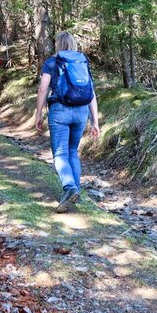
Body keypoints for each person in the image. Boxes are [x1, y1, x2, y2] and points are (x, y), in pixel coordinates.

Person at [34, 32, 100, 213]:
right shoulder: (82, 62)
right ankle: (75, 190)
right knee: (72, 151)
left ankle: (70, 187)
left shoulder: (51, 62)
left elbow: (42, 88)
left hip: (59, 112)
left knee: (60, 153)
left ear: (58, 45)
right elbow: (91, 92)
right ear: (73, 44)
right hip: (81, 112)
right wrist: (95, 121)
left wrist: (38, 114)